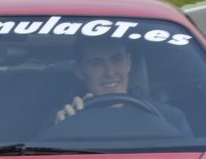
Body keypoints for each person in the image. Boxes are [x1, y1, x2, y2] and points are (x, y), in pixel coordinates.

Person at [54, 36, 193, 137]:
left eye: (117, 59)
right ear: (79, 71)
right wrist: (61, 131)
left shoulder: (169, 118)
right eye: (97, 63)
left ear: (128, 63)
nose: (110, 72)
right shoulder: (62, 119)